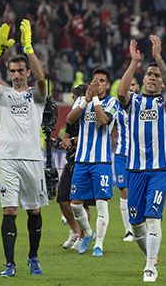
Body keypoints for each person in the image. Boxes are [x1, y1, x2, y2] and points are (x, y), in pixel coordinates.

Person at [0, 20, 48, 277]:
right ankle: (10, 264)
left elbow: (43, 78)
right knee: (9, 210)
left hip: (32, 159)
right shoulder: (3, 95)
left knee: (33, 210)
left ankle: (33, 257)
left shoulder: (37, 95)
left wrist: (28, 47)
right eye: (13, 71)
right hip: (7, 159)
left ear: (27, 72)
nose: (17, 74)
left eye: (21, 70)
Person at [117, 37, 166, 282]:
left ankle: (150, 266)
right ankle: (150, 257)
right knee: (136, 224)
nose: (152, 78)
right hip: (134, 169)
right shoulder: (134, 102)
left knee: (153, 217)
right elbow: (121, 92)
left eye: (157, 76)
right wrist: (134, 62)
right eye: (149, 75)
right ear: (143, 80)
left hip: (158, 170)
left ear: (161, 82)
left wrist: (158, 58)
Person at [65, 68, 119, 257]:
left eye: (102, 81)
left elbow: (103, 120)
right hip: (81, 161)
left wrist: (94, 99)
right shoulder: (82, 100)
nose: (98, 84)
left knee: (102, 203)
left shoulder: (112, 102)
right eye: (95, 80)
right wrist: (86, 101)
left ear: (108, 84)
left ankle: (99, 245)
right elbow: (69, 119)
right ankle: (88, 233)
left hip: (101, 161)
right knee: (75, 204)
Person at [56, 84, 93, 251]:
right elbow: (67, 133)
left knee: (81, 203)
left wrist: (77, 140)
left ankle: (84, 236)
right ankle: (74, 230)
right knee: (63, 200)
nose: (73, 100)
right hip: (71, 162)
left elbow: (94, 136)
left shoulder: (90, 115)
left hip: (85, 162)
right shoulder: (73, 116)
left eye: (75, 97)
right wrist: (64, 140)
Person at [114, 76, 140, 243]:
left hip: (138, 156)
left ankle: (139, 224)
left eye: (133, 85)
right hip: (121, 155)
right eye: (128, 85)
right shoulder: (116, 107)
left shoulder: (143, 105)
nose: (130, 88)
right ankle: (128, 230)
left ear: (138, 87)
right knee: (124, 190)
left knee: (137, 192)